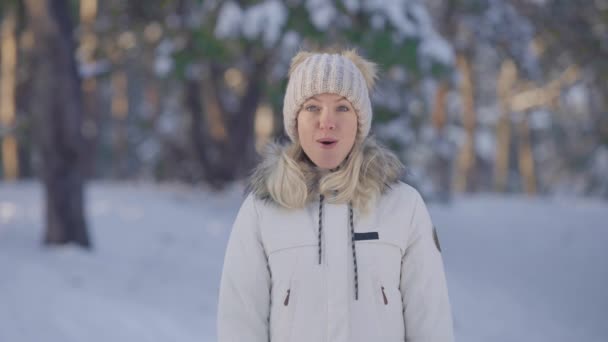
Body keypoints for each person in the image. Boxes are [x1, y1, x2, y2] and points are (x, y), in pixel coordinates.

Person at [217, 49, 454, 342]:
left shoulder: (403, 207)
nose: (327, 121)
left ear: (359, 121)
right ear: (295, 120)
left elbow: (431, 321)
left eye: (342, 108)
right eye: (312, 107)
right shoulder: (262, 210)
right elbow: (239, 322)